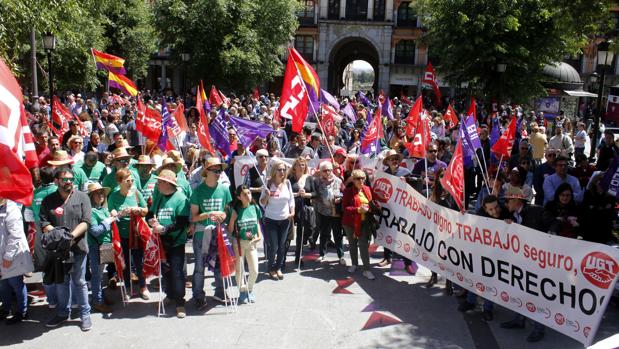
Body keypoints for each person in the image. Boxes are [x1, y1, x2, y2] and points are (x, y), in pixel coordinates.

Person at [40, 167, 92, 331]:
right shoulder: (48, 200)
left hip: (78, 248)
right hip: (58, 251)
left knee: (80, 282)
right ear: (57, 181)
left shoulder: (82, 197)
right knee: (61, 283)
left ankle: (85, 315)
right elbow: (44, 223)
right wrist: (58, 236)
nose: (68, 182)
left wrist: (70, 237)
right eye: (64, 179)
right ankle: (63, 313)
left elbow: (86, 221)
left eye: (71, 179)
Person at [500, 187, 546, 342]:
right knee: (520, 290)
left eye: (507, 200)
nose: (505, 204)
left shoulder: (536, 211)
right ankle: (519, 319)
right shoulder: (511, 215)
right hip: (520, 261)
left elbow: (553, 223)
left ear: (516, 200)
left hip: (537, 261)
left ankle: (539, 328)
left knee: (536, 295)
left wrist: (551, 235)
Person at [147, 169, 190, 318]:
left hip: (176, 242)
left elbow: (182, 222)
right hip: (161, 242)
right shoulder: (159, 197)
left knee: (177, 272)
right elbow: (150, 213)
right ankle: (170, 295)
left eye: (159, 182)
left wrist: (164, 228)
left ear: (167, 183)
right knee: (165, 271)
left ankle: (180, 302)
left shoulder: (181, 198)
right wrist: (151, 221)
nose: (157, 184)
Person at [458, 195, 509, 321]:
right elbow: (471, 223)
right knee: (475, 277)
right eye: (491, 209)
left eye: (496, 207)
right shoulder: (480, 215)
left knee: (491, 283)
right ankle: (471, 301)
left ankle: (488, 308)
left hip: (497, 257)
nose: (495, 211)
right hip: (481, 254)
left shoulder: (506, 213)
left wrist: (510, 223)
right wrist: (464, 215)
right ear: (485, 210)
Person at [189, 157, 232, 306]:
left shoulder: (224, 189)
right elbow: (194, 217)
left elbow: (227, 208)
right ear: (206, 172)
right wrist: (208, 214)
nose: (219, 173)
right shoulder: (197, 191)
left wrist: (224, 215)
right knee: (199, 267)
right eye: (215, 170)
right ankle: (198, 295)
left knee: (219, 264)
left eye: (220, 170)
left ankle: (220, 291)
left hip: (218, 233)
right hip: (202, 234)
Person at [106, 168, 149, 300]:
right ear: (120, 182)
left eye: (131, 180)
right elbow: (111, 212)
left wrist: (138, 209)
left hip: (136, 234)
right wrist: (119, 214)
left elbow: (146, 210)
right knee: (124, 262)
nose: (130, 183)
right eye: (127, 180)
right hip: (121, 235)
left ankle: (143, 287)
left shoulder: (136, 193)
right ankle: (128, 287)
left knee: (139, 262)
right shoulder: (113, 196)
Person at [0, 198, 34, 324]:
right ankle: (5, 309)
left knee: (16, 283)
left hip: (13, 255)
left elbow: (15, 235)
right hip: (2, 254)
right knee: (3, 285)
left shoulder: (12, 209)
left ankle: (22, 311)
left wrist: (8, 257)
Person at [259, 161, 295, 279]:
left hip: (285, 219)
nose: (282, 172)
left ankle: (278, 267)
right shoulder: (268, 183)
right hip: (271, 220)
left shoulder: (288, 183)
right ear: (274, 171)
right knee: (274, 246)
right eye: (279, 169)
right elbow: (262, 203)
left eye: (284, 169)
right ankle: (271, 268)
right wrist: (267, 195)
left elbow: (291, 200)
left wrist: (292, 211)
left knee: (282, 245)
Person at [228, 185, 262, 303]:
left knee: (255, 271)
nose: (248, 196)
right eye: (244, 194)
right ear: (239, 197)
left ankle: (249, 289)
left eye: (249, 193)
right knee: (239, 270)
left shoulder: (255, 207)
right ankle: (242, 291)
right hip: (239, 243)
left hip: (252, 243)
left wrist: (259, 235)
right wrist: (232, 219)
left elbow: (257, 222)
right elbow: (230, 230)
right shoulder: (235, 210)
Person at [341, 170, 376, 280]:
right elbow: (345, 208)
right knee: (352, 244)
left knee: (363, 245)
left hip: (365, 222)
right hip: (350, 222)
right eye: (358, 178)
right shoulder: (348, 192)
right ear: (353, 180)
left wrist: (370, 207)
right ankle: (354, 264)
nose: (361, 180)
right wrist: (358, 209)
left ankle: (367, 269)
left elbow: (373, 203)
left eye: (363, 178)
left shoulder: (368, 189)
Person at [85, 183, 114, 313]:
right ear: (91, 196)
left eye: (102, 192)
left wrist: (114, 217)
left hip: (104, 245)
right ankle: (97, 301)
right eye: (97, 193)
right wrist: (108, 221)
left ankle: (99, 296)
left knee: (100, 274)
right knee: (97, 275)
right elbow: (95, 231)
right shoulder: (91, 212)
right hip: (96, 247)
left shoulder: (102, 209)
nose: (101, 195)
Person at [313, 161, 344, 265]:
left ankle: (341, 256)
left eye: (329, 170)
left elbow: (344, 193)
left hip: (336, 213)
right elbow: (314, 194)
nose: (327, 172)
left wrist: (340, 198)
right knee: (324, 234)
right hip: (323, 211)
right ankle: (322, 254)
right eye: (325, 170)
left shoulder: (338, 181)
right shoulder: (317, 182)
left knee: (337, 235)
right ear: (321, 171)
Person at [288, 157, 316, 267]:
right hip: (292, 207)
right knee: (288, 233)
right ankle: (283, 256)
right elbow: (286, 192)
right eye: (299, 164)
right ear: (294, 166)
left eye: (303, 165)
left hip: (304, 209)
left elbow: (315, 193)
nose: (301, 167)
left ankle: (298, 256)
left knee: (302, 232)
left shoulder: (309, 178)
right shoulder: (290, 178)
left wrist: (306, 194)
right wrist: (297, 194)